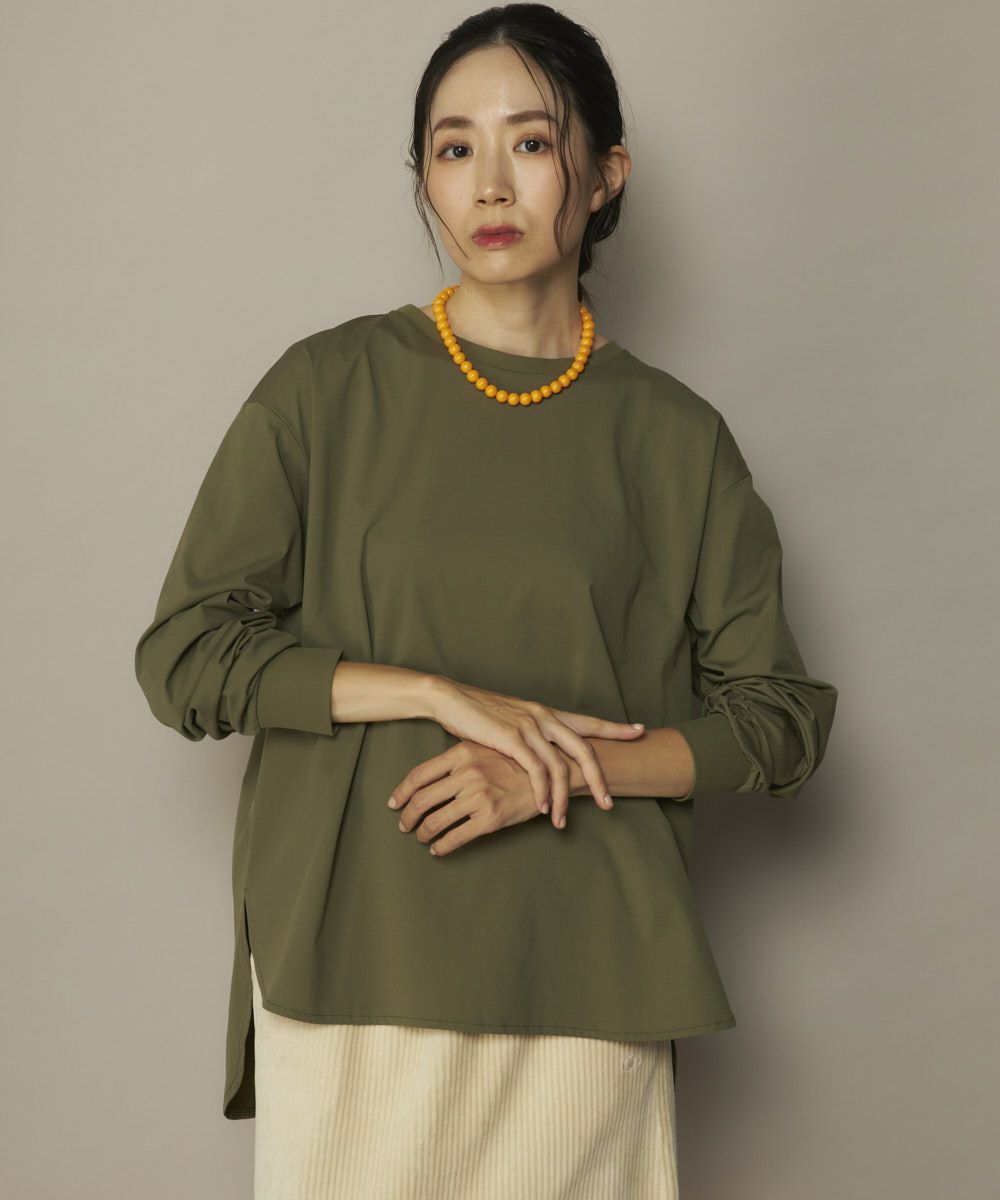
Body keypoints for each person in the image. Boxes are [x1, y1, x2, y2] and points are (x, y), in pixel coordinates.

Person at [134, 5, 838, 1197]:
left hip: (587, 970)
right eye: (454, 148)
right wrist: (430, 692)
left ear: (604, 174)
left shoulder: (674, 438)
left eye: (532, 141)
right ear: (424, 176)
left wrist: (556, 768)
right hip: (352, 959)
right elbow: (184, 658)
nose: (489, 183)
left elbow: (780, 721)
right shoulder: (325, 390)